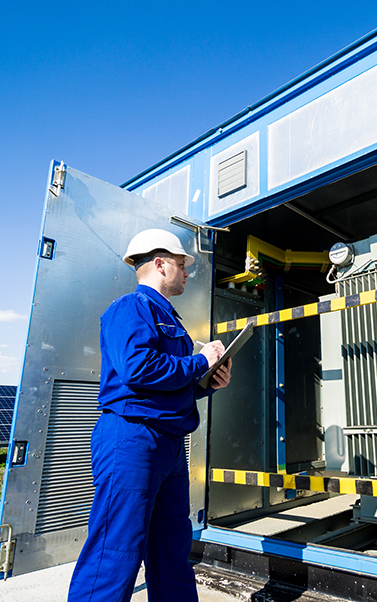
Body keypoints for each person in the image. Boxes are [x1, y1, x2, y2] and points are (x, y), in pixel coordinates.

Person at [67, 229, 231, 602]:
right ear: (160, 264)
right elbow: (137, 368)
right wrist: (198, 361)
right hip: (132, 439)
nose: (187, 272)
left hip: (169, 444)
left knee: (172, 549)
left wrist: (209, 382)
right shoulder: (130, 308)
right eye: (181, 265)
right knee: (116, 549)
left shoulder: (169, 318)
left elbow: (171, 381)